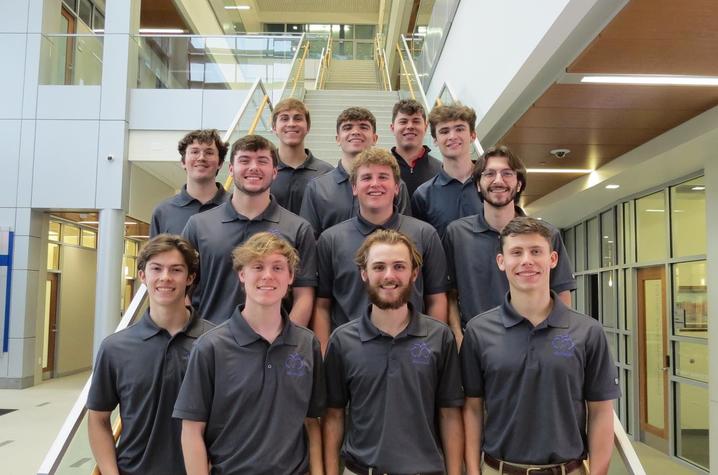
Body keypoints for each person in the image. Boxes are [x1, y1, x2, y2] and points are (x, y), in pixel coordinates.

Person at [461, 216, 619, 475]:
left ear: (553, 259)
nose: (527, 261)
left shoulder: (588, 331)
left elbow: (601, 411)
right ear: (502, 262)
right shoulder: (479, 332)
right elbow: (473, 409)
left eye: (536, 251)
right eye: (516, 252)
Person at [174, 232, 325, 475]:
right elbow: (192, 430)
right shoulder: (210, 347)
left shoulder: (307, 344)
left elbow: (312, 422)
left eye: (277, 267)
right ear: (242, 275)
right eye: (257, 266)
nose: (268, 276)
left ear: (290, 277)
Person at [323, 229, 464, 475]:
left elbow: (450, 414)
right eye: (379, 267)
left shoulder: (440, 337)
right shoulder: (342, 341)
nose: (389, 276)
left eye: (399, 266)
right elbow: (334, 415)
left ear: (414, 273)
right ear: (364, 274)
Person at [87, 234, 214, 475]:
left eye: (176, 270)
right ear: (143, 276)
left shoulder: (216, 343)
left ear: (190, 278)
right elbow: (98, 420)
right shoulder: (115, 348)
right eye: (156, 269)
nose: (165, 277)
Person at [313, 148, 449, 353]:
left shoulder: (425, 234)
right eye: (366, 177)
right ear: (354, 187)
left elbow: (436, 298)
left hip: (412, 351)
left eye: (383, 177)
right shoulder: (330, 240)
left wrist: (432, 350)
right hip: (349, 354)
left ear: (397, 188)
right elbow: (322, 306)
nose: (375, 184)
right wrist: (325, 355)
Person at [443, 145, 576, 344]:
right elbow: (450, 295)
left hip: (535, 342)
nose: (498, 180)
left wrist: (555, 340)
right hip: (477, 346)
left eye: (507, 173)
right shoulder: (456, 234)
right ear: (478, 184)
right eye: (489, 174)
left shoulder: (547, 235)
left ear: (519, 184)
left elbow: (561, 294)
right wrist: (459, 338)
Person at [182, 134, 317, 325]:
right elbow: (182, 288)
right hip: (210, 345)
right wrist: (195, 337)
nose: (253, 167)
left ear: (275, 172)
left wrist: (286, 343)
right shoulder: (198, 225)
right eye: (244, 160)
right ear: (230, 169)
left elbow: (304, 296)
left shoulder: (298, 229)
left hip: (273, 346)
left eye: (262, 161)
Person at [299, 107, 412, 236]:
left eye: (363, 127)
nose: (355, 132)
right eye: (347, 127)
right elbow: (309, 239)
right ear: (337, 139)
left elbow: (404, 232)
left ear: (375, 138)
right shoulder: (317, 188)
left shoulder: (394, 185)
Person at [411, 103, 483, 237]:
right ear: (435, 140)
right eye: (444, 131)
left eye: (459, 129)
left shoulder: (492, 185)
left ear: (473, 135)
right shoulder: (423, 195)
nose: (452, 136)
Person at [150, 129, 229, 236]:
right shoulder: (162, 212)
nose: (201, 158)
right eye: (195, 152)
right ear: (183, 162)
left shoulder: (236, 207)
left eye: (209, 152)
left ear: (220, 163)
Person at [270, 98, 333, 214]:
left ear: (308, 127)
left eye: (298, 118)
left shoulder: (326, 172)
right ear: (274, 127)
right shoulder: (264, 169)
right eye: (284, 119)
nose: (291, 124)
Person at [389, 98, 442, 196]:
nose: (410, 126)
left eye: (416, 121)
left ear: (426, 128)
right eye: (403, 121)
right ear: (392, 128)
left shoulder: (441, 170)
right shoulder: (381, 169)